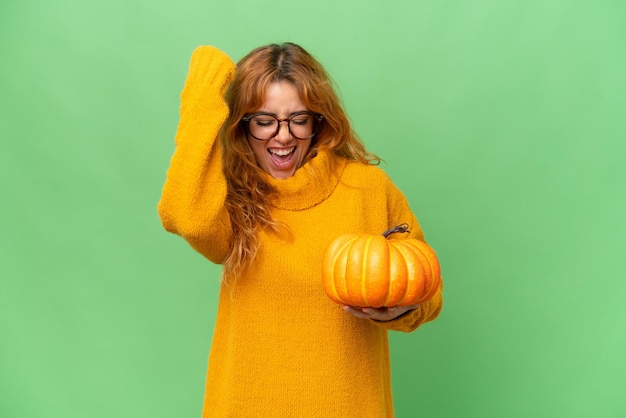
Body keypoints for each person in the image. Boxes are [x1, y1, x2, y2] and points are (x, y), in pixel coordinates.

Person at [158, 42, 443, 417]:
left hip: (348, 407)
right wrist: (204, 92)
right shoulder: (230, 197)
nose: (282, 136)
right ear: (241, 126)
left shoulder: (368, 189)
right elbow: (186, 217)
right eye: (263, 121)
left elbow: (426, 288)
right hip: (247, 405)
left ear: (318, 119)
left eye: (298, 118)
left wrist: (400, 310)